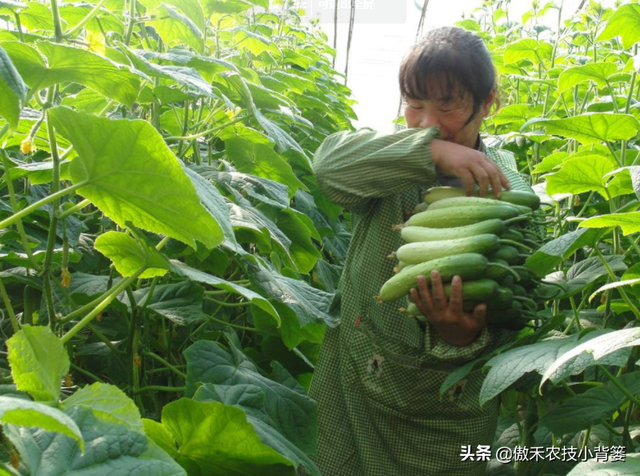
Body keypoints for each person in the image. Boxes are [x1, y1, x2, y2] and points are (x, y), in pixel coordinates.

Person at [306, 26, 536, 476]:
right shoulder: (395, 158)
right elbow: (328, 168)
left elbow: (518, 305)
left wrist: (464, 338)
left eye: (447, 105)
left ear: (488, 103)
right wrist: (431, 154)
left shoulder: (511, 193)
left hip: (439, 421)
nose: (427, 121)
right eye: (414, 104)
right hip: (349, 386)